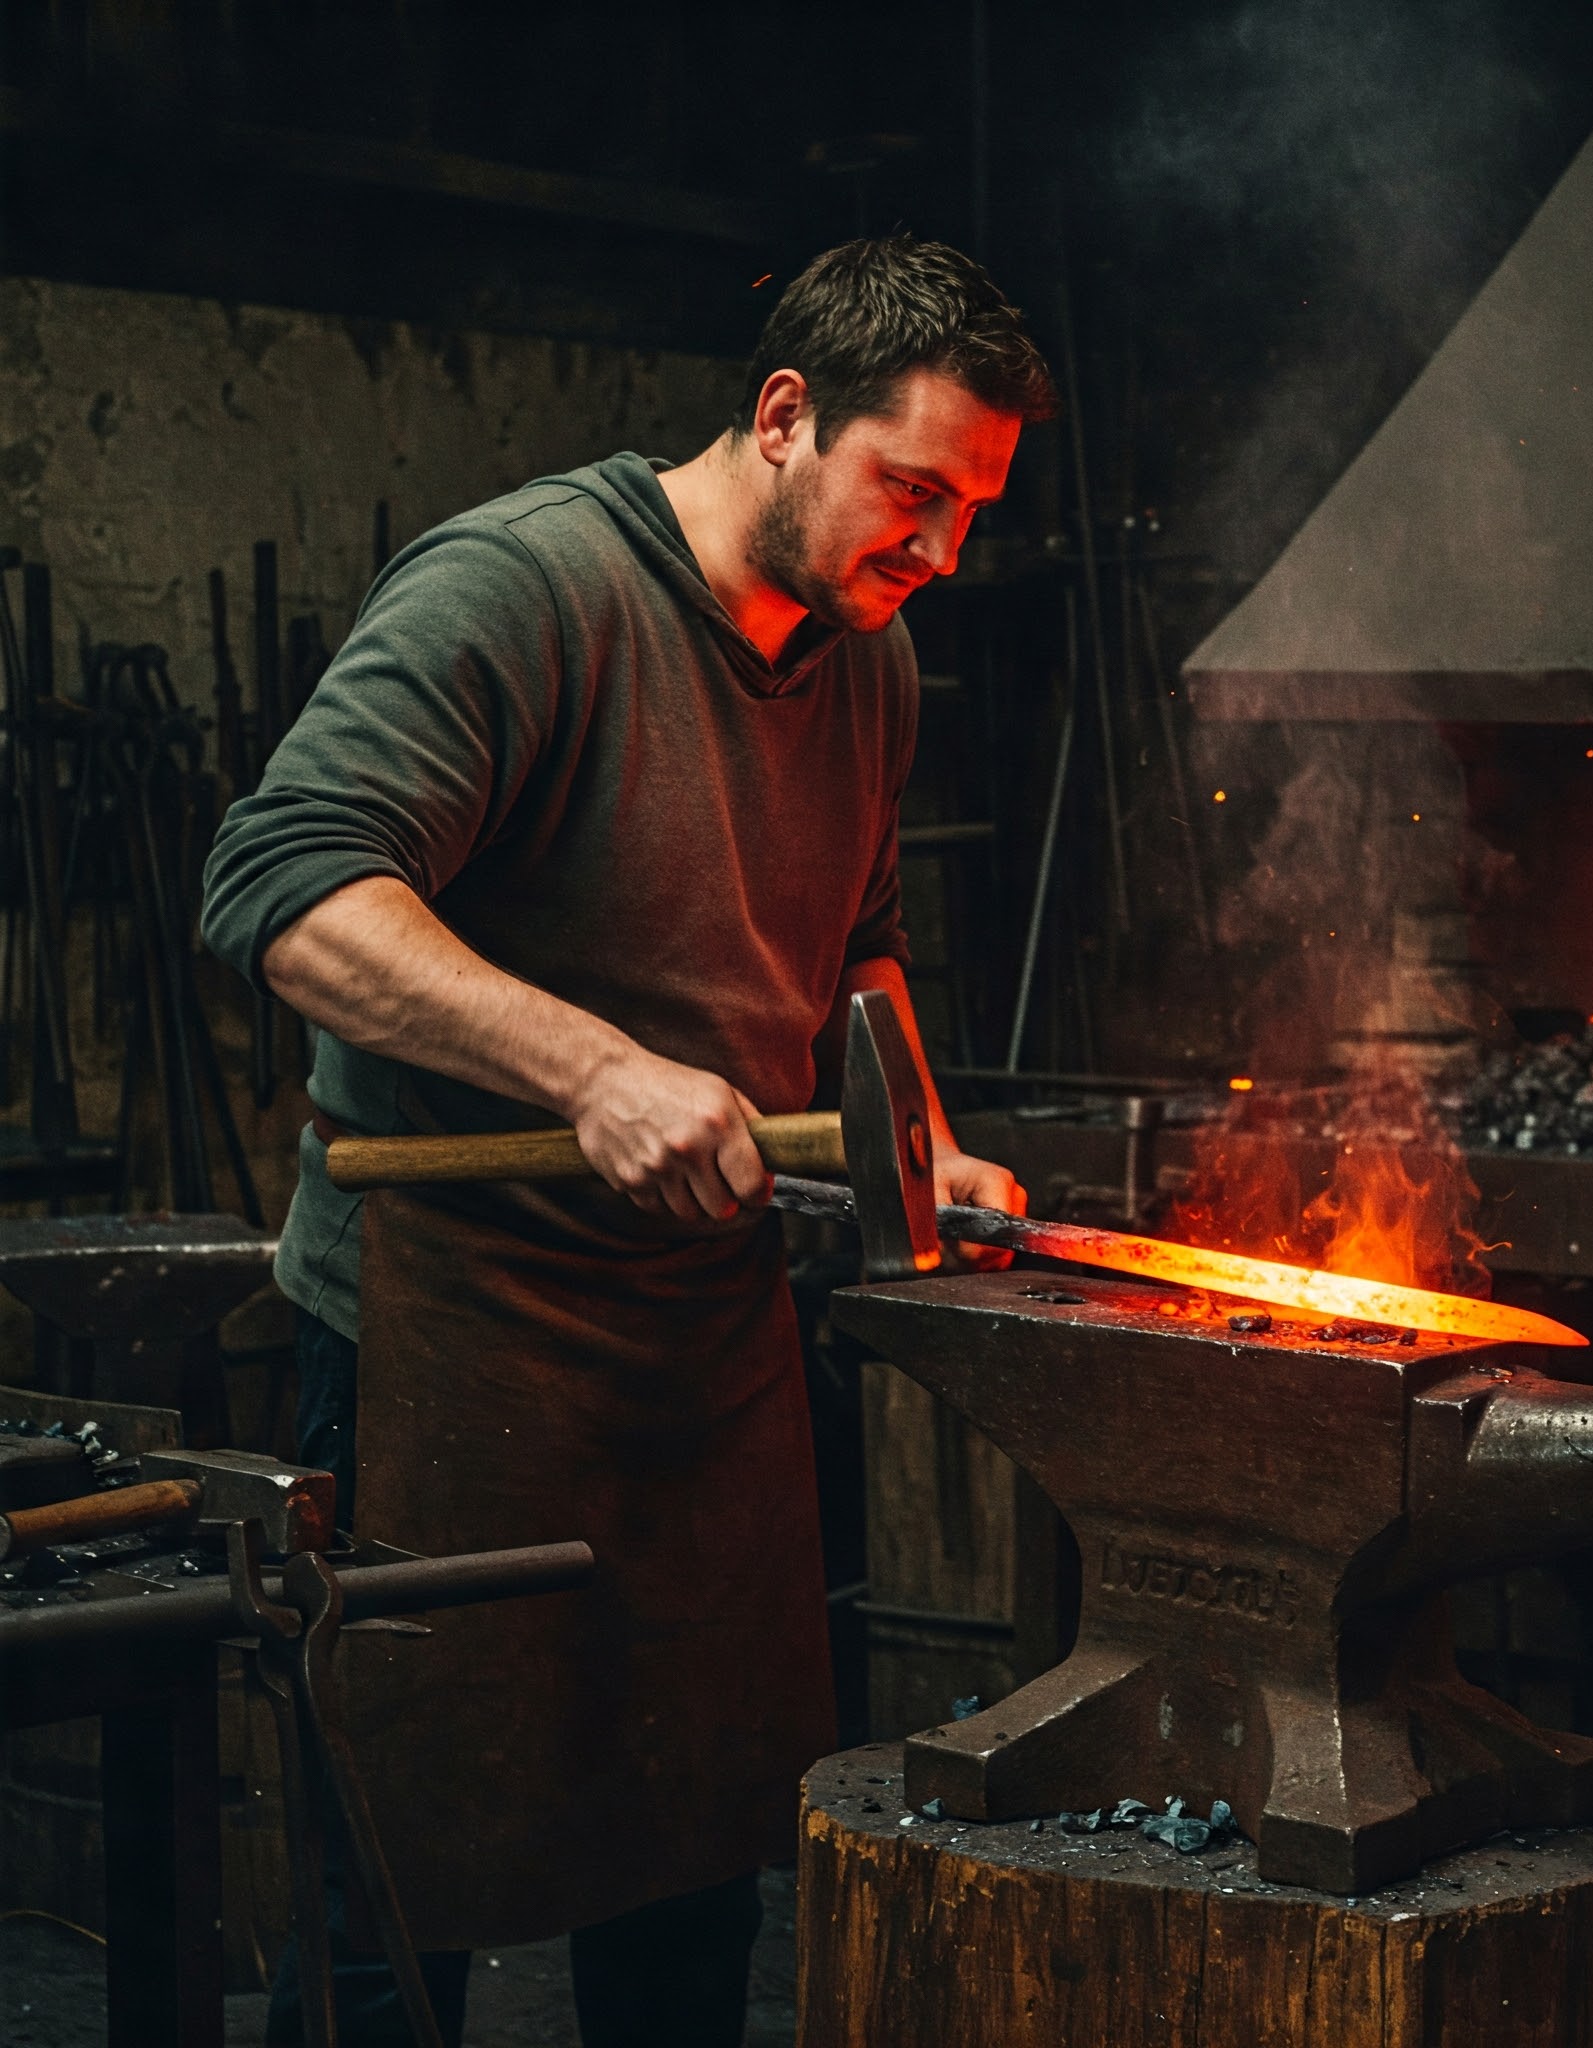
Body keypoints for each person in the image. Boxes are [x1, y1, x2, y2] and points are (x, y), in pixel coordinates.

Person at [202, 235, 1056, 2047]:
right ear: (782, 417)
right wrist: (594, 1072)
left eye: (972, 507)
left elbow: (863, 938)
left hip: (700, 1354)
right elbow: (284, 890)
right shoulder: (523, 592)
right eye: (914, 489)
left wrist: (926, 1145)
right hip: (449, 1339)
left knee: (687, 1883)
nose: (942, 548)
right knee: (391, 1909)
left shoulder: (866, 663)